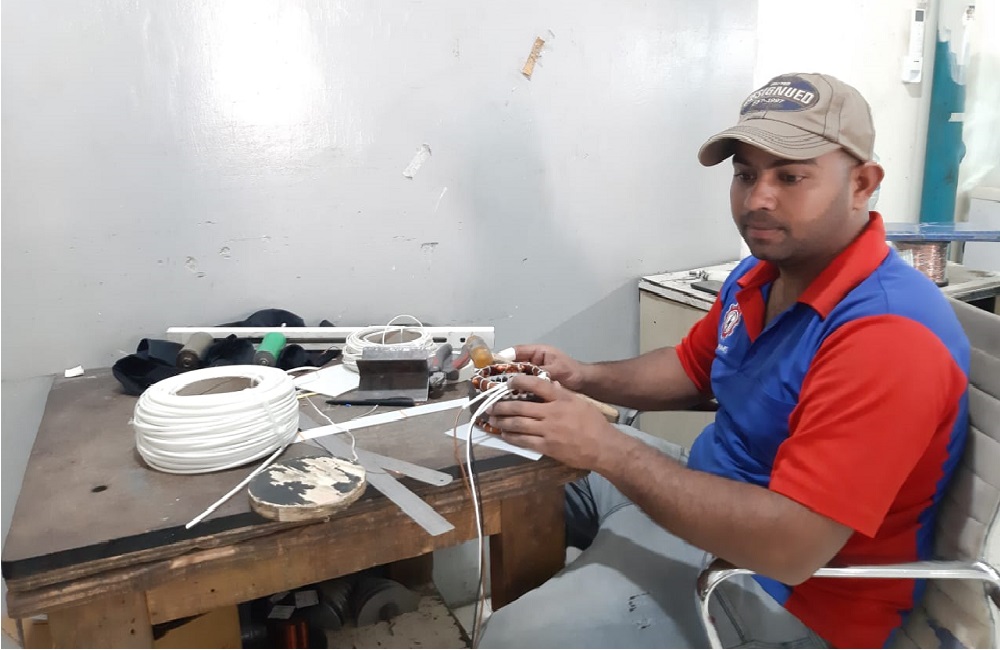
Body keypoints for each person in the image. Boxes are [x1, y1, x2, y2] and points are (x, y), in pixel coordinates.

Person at [477, 73, 970, 649]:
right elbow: (689, 368)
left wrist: (606, 447)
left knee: (514, 638)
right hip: (711, 493)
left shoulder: (887, 335)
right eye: (746, 175)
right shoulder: (761, 274)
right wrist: (584, 376)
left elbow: (793, 548)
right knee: (515, 464)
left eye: (790, 176)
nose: (758, 199)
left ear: (862, 184)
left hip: (786, 591)